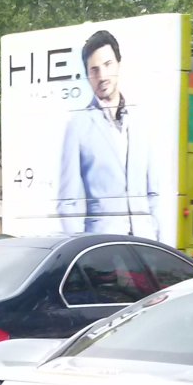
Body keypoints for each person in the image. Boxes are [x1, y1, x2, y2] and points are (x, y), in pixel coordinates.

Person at [57, 28, 162, 238]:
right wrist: (83, 253)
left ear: (119, 64)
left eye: (107, 65)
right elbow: (67, 202)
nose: (102, 76)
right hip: (102, 251)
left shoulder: (141, 121)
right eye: (94, 70)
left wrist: (159, 241)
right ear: (87, 75)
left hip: (144, 246)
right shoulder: (78, 126)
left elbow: (154, 194)